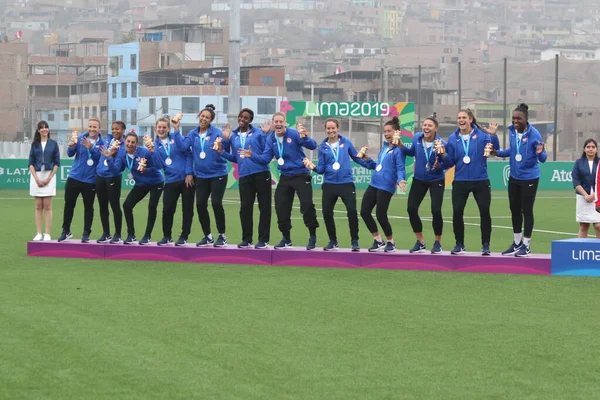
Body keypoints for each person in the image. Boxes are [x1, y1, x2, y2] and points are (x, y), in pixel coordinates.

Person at [241, 112, 319, 250]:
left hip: (301, 174)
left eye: (280, 122)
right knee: (280, 207)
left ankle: (312, 236)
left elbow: (313, 146)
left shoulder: (294, 134)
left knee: (307, 206)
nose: (278, 124)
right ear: (272, 123)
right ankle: (286, 238)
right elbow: (265, 159)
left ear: (285, 123)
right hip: (285, 176)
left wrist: (306, 138)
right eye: (275, 122)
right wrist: (252, 155)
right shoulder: (271, 139)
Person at [305, 118, 375, 251]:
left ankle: (354, 241)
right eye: (328, 128)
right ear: (325, 130)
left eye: (333, 128)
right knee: (327, 213)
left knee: (352, 212)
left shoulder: (346, 142)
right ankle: (333, 241)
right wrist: (312, 167)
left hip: (346, 183)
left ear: (338, 129)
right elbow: (321, 170)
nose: (331, 131)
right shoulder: (323, 147)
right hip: (329, 184)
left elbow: (357, 158)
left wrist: (372, 166)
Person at [438, 109, 494, 255]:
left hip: (480, 180)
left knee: (484, 212)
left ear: (470, 119)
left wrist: (493, 136)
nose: (461, 120)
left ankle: (486, 245)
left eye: (464, 117)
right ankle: (459, 244)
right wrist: (443, 155)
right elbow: (450, 162)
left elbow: (495, 150)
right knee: (457, 213)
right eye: (459, 118)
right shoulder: (452, 138)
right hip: (460, 180)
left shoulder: (482, 136)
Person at [494, 103, 547, 257]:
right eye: (513, 118)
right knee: (514, 210)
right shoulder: (511, 131)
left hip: (530, 177)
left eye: (519, 118)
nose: (515, 121)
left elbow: (543, 158)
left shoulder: (535, 134)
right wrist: (497, 153)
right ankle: (517, 243)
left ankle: (527, 245)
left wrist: (540, 152)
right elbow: (512, 150)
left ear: (526, 119)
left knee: (527, 210)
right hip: (514, 178)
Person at [173, 104, 228, 247]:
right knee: (200, 204)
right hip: (201, 175)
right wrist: (176, 129)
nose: (204, 119)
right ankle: (208, 236)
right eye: (202, 116)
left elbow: (225, 150)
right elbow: (183, 147)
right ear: (199, 116)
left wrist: (225, 140)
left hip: (218, 174)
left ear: (211, 120)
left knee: (216, 203)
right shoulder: (192, 134)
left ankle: (222, 235)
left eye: (207, 118)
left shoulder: (217, 133)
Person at [218, 108, 272, 249]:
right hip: (244, 176)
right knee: (245, 208)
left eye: (246, 117)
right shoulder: (233, 135)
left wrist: (266, 134)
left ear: (250, 120)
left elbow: (267, 151)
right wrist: (223, 146)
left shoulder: (259, 133)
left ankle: (264, 239)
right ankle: (247, 239)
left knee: (264, 207)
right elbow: (234, 157)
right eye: (241, 117)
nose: (242, 119)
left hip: (261, 174)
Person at [399, 116, 449, 254]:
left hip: (436, 179)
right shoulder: (416, 138)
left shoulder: (441, 143)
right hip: (419, 179)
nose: (426, 128)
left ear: (435, 128)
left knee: (436, 211)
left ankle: (438, 242)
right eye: (425, 125)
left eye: (430, 126)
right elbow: (410, 152)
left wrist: (441, 165)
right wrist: (401, 145)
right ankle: (420, 242)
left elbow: (449, 161)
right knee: (411, 208)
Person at [105, 132, 164, 244]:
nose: (130, 144)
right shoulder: (122, 153)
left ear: (136, 144)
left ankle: (147, 236)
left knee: (152, 206)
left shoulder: (144, 152)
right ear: (125, 142)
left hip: (156, 182)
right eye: (128, 141)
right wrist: (109, 158)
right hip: (141, 184)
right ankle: (131, 235)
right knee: (127, 205)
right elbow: (116, 170)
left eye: (133, 142)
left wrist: (146, 170)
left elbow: (156, 167)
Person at [360, 116, 407, 252]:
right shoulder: (384, 148)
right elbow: (377, 166)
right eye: (385, 131)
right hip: (374, 183)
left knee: (381, 214)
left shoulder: (399, 150)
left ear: (396, 132)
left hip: (386, 186)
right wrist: (367, 159)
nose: (386, 134)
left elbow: (400, 168)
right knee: (364, 212)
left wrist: (401, 179)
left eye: (389, 131)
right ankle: (378, 240)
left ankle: (391, 242)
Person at [58, 119, 105, 243]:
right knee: (69, 205)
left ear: (99, 128)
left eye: (94, 127)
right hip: (74, 177)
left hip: (90, 180)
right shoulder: (79, 138)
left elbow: (101, 159)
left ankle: (86, 233)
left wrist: (91, 148)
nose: (92, 129)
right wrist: (71, 146)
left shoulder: (103, 143)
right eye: (90, 126)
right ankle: (66, 230)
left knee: (88, 207)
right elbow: (70, 153)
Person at [151, 116, 195, 246]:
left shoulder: (176, 138)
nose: (161, 129)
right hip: (170, 180)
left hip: (186, 179)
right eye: (159, 127)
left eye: (164, 127)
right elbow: (159, 166)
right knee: (168, 209)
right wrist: (153, 152)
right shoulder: (155, 145)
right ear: (155, 129)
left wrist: (189, 173)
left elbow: (188, 154)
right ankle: (167, 236)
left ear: (168, 128)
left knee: (187, 209)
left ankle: (184, 236)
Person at [28, 120, 60, 241]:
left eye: (46, 127)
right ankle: (38, 233)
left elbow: (57, 163)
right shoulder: (34, 144)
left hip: (49, 176)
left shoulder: (53, 144)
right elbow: (30, 162)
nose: (44, 130)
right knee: (38, 206)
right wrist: (36, 178)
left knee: (47, 206)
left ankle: (47, 233)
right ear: (38, 130)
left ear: (48, 130)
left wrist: (49, 178)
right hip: (36, 176)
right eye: (41, 128)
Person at [95, 121, 126, 244]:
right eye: (113, 129)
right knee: (102, 206)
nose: (114, 131)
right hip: (100, 176)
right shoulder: (107, 140)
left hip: (113, 177)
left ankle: (117, 234)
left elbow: (117, 169)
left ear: (123, 130)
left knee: (114, 206)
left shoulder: (123, 146)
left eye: (117, 129)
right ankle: (106, 233)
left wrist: (110, 156)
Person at [572, 139, 600, 238]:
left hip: (598, 197)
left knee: (598, 225)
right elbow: (576, 181)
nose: (590, 149)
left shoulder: (599, 162)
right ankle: (581, 250)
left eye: (593, 147)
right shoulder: (579, 163)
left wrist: (595, 195)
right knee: (584, 225)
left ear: (596, 149)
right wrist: (586, 195)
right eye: (588, 147)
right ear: (584, 149)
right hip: (583, 197)